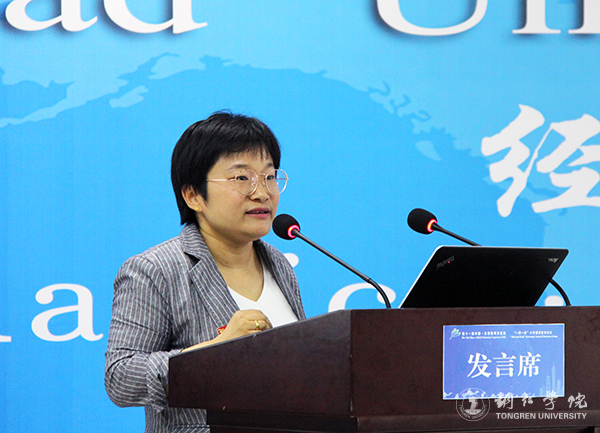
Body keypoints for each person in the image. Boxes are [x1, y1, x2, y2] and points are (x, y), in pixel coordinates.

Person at [104, 111, 306, 432]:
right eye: (242, 178)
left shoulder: (278, 263)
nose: (262, 192)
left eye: (269, 176)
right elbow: (121, 377)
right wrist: (214, 352)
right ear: (193, 195)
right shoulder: (155, 269)